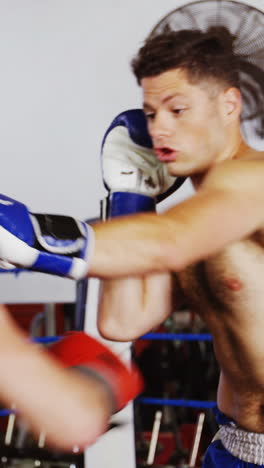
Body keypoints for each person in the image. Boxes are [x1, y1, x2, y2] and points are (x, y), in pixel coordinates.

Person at [0, 26, 263, 465]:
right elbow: (123, 320)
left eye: (178, 109)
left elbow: (169, 241)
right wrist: (130, 196)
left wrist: (31, 236)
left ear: (229, 104)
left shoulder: (253, 183)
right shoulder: (194, 220)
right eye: (151, 112)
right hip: (234, 445)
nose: (159, 128)